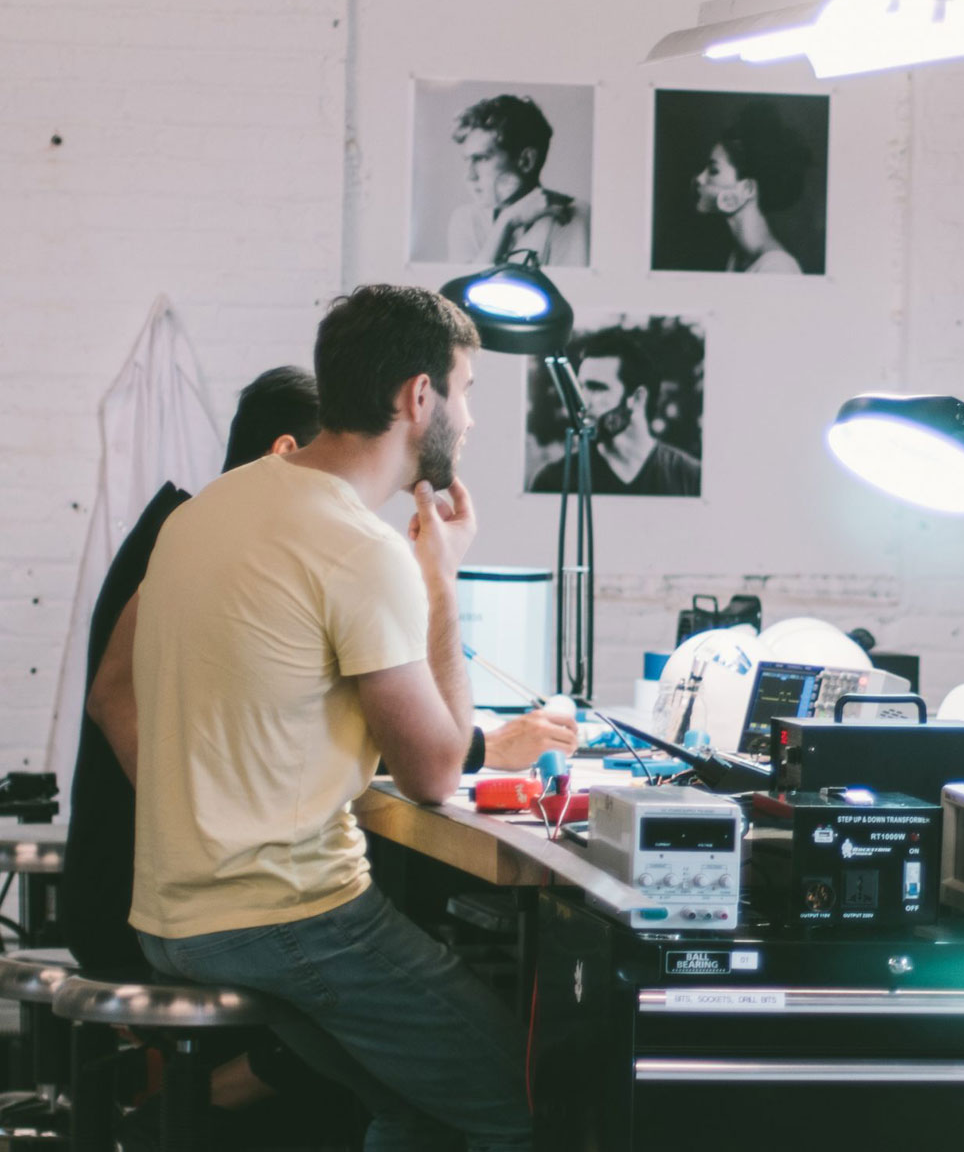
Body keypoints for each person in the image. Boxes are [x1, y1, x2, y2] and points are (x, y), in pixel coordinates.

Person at [122, 286, 533, 1149]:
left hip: (174, 913)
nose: (469, 418)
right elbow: (436, 771)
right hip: (288, 914)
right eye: (466, 390)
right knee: (532, 1101)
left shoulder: (207, 511)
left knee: (411, 1104)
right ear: (419, 397)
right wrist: (440, 582)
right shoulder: (360, 547)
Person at [529, 327, 701, 496]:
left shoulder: (690, 477)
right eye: (581, 388)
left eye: (597, 388)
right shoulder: (554, 481)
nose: (583, 402)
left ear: (637, 398)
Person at [448, 93, 589, 271]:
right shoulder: (465, 219)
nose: (469, 176)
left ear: (526, 160)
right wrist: (508, 221)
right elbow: (459, 295)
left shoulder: (573, 216)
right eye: (467, 160)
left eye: (482, 159)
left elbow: (572, 295)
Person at [692, 98, 812, 274]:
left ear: (747, 189)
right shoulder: (738, 258)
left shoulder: (777, 269)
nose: (700, 179)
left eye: (713, 171)